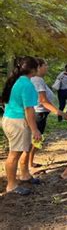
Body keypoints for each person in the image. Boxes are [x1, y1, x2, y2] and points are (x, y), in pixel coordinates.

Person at [0, 56, 41, 195]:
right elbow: (28, 110)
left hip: (13, 120)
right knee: (14, 154)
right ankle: (11, 185)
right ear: (34, 69)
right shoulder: (27, 85)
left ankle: (25, 175)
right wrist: (35, 130)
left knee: (25, 148)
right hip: (17, 122)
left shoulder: (20, 81)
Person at [29, 59, 67, 169]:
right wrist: (60, 113)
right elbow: (43, 101)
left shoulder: (36, 79)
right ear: (39, 67)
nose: (47, 67)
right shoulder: (37, 80)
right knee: (36, 140)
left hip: (39, 113)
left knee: (36, 140)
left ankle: (29, 162)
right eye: (45, 65)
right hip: (39, 114)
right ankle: (29, 163)